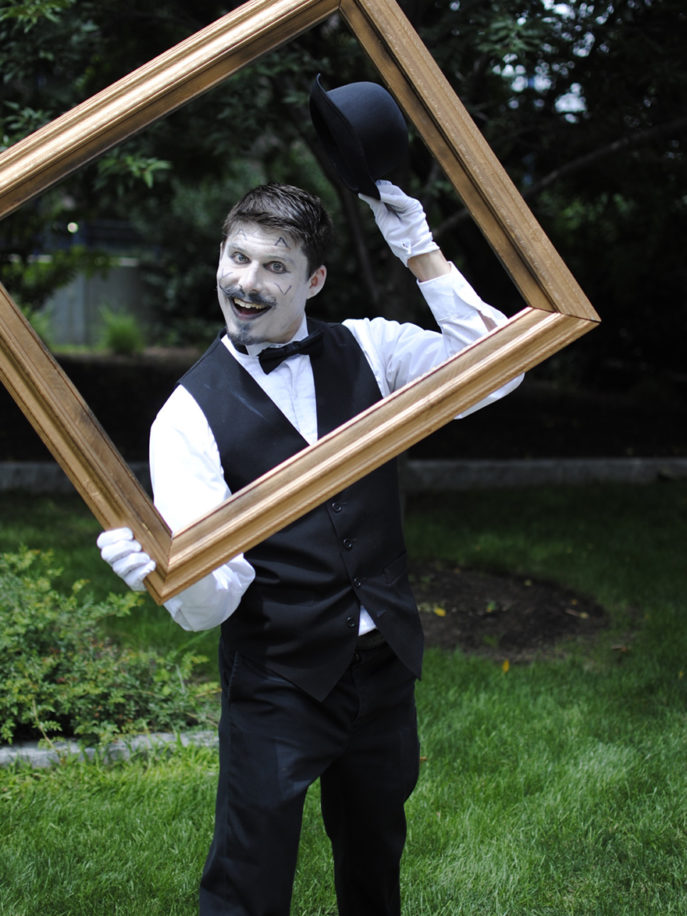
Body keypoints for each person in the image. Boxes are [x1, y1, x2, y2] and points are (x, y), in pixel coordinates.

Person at [98, 180, 522, 915]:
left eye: (274, 267)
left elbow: (498, 371)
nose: (246, 283)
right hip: (279, 677)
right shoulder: (186, 416)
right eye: (237, 258)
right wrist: (166, 574)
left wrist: (419, 249)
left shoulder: (369, 347)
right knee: (249, 875)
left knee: (375, 858)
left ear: (314, 280)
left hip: (384, 663)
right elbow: (209, 606)